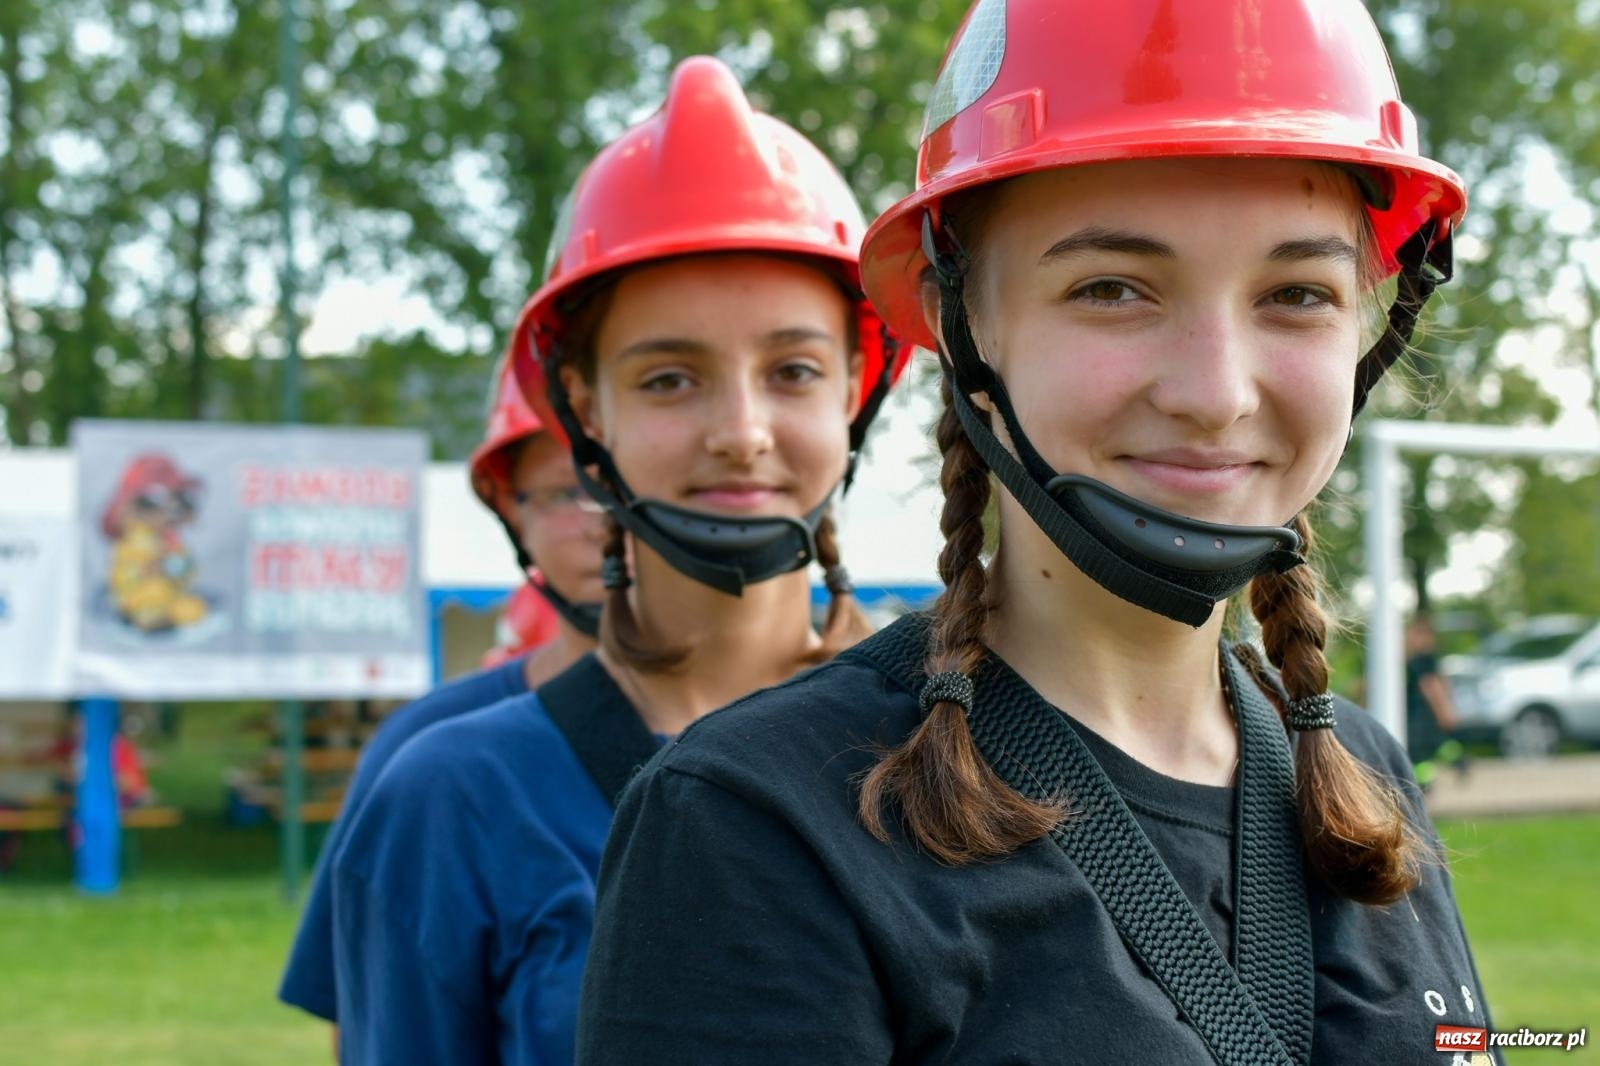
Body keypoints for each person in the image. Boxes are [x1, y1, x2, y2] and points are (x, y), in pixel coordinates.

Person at [578, 3, 1501, 1064]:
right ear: (963, 319)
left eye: (1295, 294)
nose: (1216, 392)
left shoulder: (1362, 774)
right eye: (1111, 289)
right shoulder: (755, 824)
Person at [327, 55, 908, 1066]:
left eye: (792, 371)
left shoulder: (968, 747)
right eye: (670, 377)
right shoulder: (451, 797)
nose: (741, 430)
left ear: (855, 389)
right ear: (586, 410)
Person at [277, 352, 604, 1037]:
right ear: (512, 511)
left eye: (615, 479)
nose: (602, 516)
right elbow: (369, 1021)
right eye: (565, 490)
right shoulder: (425, 752)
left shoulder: (845, 728)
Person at [1406, 614, 1464, 788]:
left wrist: (1443, 710)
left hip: (1422, 714)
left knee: (1420, 751)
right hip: (1421, 713)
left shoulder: (1423, 660)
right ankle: (1459, 761)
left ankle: (1425, 784)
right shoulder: (1423, 658)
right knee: (1437, 743)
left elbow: (1432, 686)